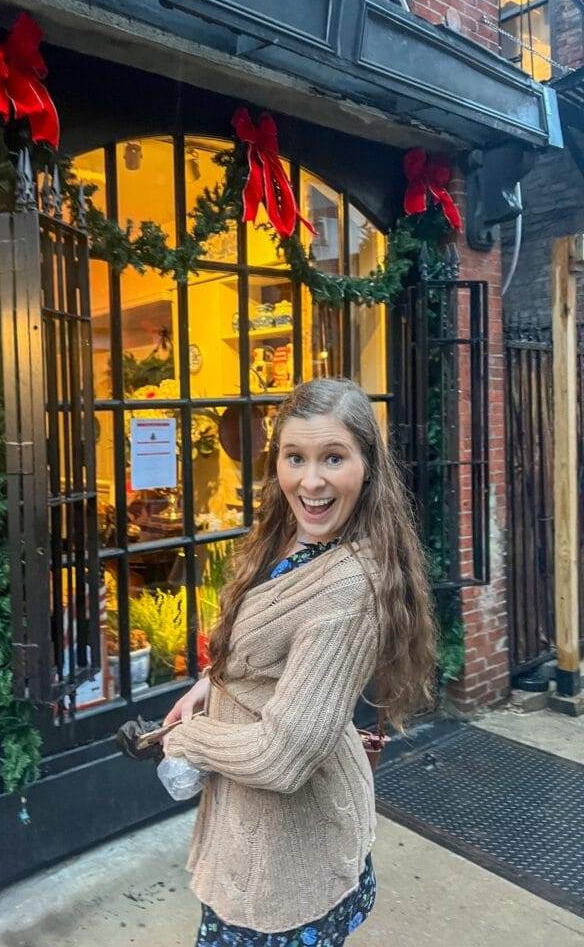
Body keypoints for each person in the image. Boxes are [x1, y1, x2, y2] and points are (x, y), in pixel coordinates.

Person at [160, 377, 437, 947]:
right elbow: (256, 657)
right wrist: (208, 685)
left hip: (288, 855)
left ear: (367, 466)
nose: (310, 481)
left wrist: (188, 742)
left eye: (333, 457)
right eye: (295, 458)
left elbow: (282, 759)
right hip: (254, 834)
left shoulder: (349, 588)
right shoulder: (290, 534)